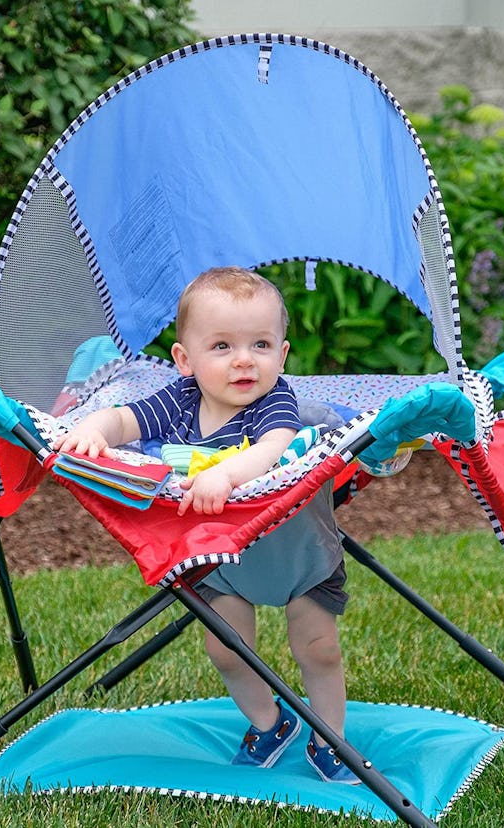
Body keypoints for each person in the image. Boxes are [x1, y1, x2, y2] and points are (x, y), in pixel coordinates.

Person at [54, 266, 359, 784]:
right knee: (225, 649)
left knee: (319, 649)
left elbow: (272, 448)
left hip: (300, 557)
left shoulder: (275, 402)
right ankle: (269, 721)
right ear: (185, 360)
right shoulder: (179, 401)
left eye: (261, 344)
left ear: (281, 356)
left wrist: (226, 473)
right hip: (220, 560)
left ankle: (331, 737)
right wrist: (92, 427)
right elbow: (124, 420)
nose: (244, 360)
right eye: (221, 346)